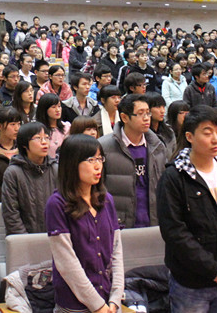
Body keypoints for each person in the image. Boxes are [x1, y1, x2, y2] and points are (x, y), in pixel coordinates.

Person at [157, 106, 217, 312]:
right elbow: (174, 232)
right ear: (190, 137)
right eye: (207, 133)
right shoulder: (175, 177)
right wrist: (213, 269)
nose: (216, 139)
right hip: (192, 283)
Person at [45, 134, 124, 313]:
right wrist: (98, 306)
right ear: (72, 163)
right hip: (75, 305)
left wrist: (115, 299)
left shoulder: (106, 200)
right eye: (90, 160)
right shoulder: (57, 204)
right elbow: (67, 263)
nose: (98, 166)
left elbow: (117, 252)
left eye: (100, 159)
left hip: (109, 302)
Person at [100, 94, 166, 228]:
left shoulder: (158, 146)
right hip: (118, 223)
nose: (146, 118)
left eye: (148, 113)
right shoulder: (104, 147)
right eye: (140, 114)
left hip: (152, 222)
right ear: (124, 117)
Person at [1, 122, 58, 235]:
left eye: (46, 138)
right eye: (38, 138)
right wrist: (26, 240)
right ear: (24, 144)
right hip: (24, 239)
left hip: (54, 237)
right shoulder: (13, 173)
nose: (44, 142)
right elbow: (11, 213)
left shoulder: (56, 169)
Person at [35, 93, 71, 159]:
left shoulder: (67, 127)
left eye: (59, 106)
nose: (57, 110)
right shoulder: (37, 130)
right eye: (53, 107)